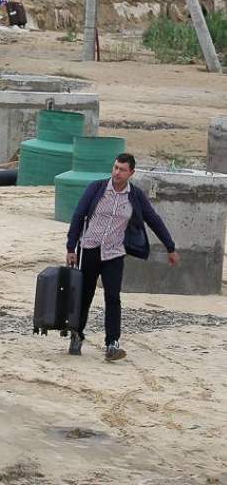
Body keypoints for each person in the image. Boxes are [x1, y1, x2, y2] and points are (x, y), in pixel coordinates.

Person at [66, 153, 179, 361]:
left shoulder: (134, 196)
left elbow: (153, 219)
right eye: (115, 168)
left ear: (131, 173)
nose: (117, 173)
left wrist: (170, 247)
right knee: (85, 295)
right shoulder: (97, 188)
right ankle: (76, 335)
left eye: (122, 170)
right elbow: (78, 215)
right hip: (89, 249)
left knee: (113, 297)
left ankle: (112, 344)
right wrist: (71, 247)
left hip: (114, 253)